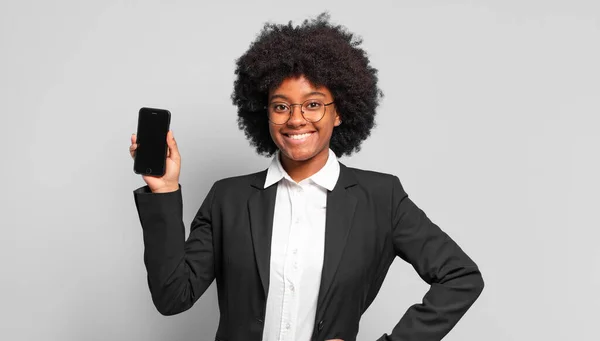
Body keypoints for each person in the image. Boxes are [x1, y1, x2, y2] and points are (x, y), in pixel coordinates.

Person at [130, 13, 484, 341]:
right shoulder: (229, 199)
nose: (296, 119)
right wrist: (164, 191)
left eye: (313, 104)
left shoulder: (381, 197)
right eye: (281, 106)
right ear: (264, 113)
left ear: (340, 113)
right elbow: (172, 297)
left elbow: (460, 276)